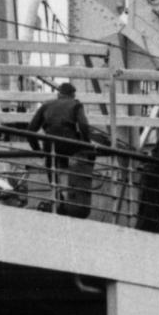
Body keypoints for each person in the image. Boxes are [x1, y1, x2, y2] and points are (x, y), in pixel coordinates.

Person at [31, 79, 93, 215]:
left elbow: (31, 129)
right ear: (71, 94)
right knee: (86, 156)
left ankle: (58, 197)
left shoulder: (46, 105)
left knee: (50, 165)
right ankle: (78, 192)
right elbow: (83, 125)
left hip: (50, 143)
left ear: (59, 94)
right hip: (69, 142)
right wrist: (87, 143)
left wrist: (37, 150)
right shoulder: (75, 105)